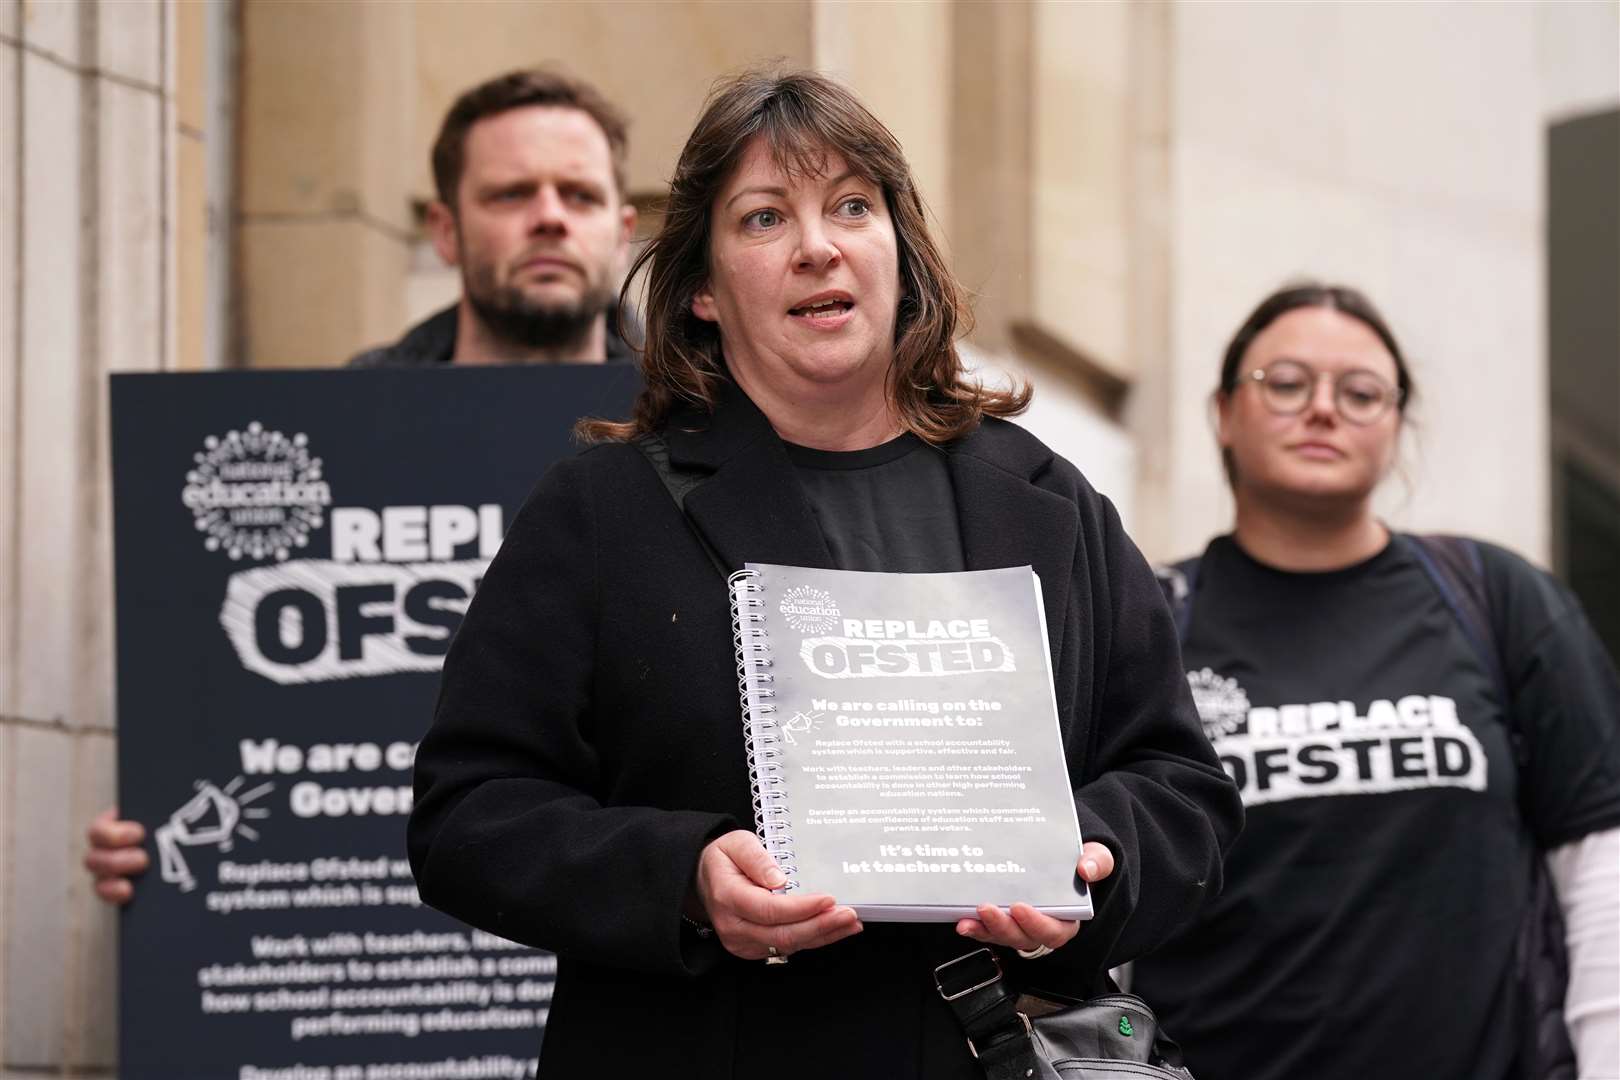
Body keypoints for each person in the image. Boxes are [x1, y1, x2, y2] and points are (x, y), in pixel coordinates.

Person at [405, 69, 1243, 1079]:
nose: (818, 246)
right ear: (705, 288)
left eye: (852, 205)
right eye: (764, 218)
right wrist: (684, 873)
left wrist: (1092, 861)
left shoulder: (1042, 500)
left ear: (899, 250)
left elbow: (1183, 790)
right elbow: (469, 813)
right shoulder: (601, 513)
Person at [83, 66, 641, 903]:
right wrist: (158, 840)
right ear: (446, 230)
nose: (550, 216)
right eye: (512, 194)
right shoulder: (345, 438)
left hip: (623, 950)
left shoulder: (700, 434)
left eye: (580, 195)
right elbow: (218, 718)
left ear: (624, 229)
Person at [1129, 283, 1620, 1080]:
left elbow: (1601, 866)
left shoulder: (1497, 598)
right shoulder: (1148, 619)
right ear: (1223, 413)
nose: (1323, 409)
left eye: (1361, 393)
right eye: (1286, 383)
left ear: (1395, 426)